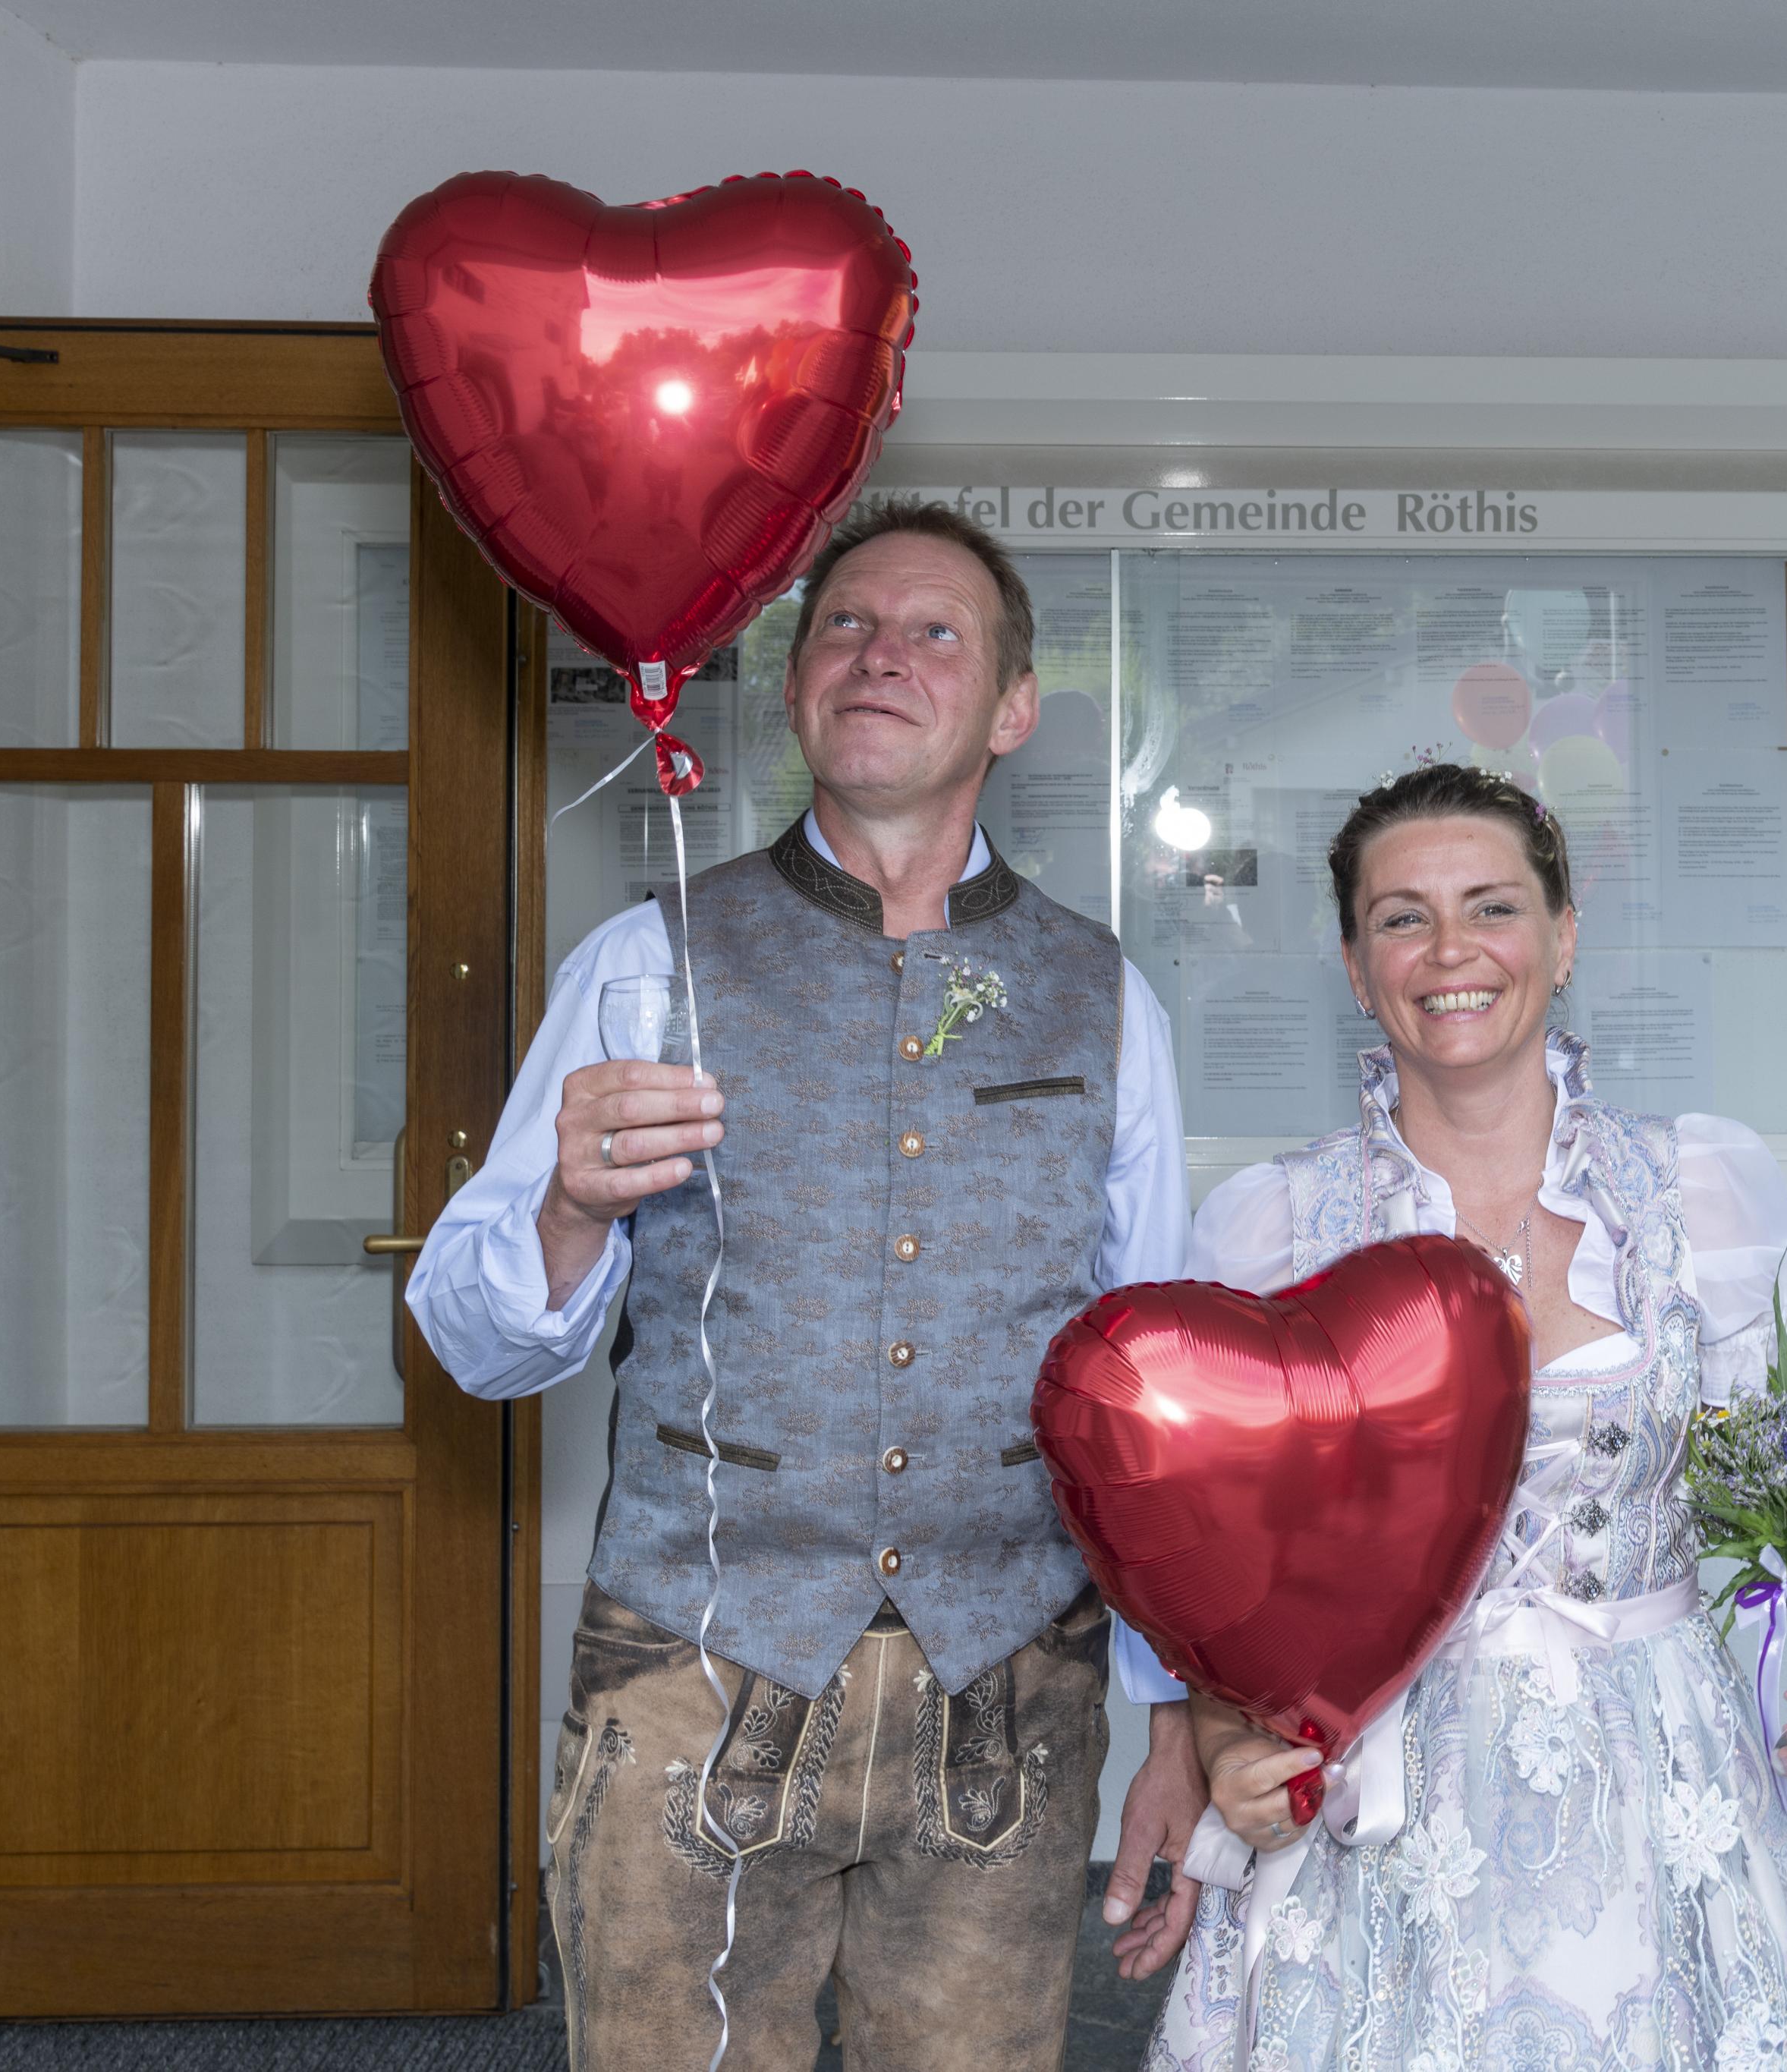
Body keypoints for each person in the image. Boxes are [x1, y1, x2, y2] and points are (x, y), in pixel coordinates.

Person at [407, 501, 1208, 2071]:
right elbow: (471, 1340)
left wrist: (1168, 1705)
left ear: (1013, 707)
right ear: (789, 690)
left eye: (933, 633)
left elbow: (1157, 1399)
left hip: (1005, 1685)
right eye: (843, 625)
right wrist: (568, 1207)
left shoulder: (1104, 995)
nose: (879, 656)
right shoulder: (646, 962)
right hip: (695, 1671)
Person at [1125, 764, 1787, 2070]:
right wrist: (1214, 1730)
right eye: (1402, 917)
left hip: (1657, 1776)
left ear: (1565, 935)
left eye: (1492, 906)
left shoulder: (1698, 1190)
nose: (1450, 950)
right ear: (1356, 966)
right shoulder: (1275, 1227)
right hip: (1375, 1792)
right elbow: (1220, 1562)